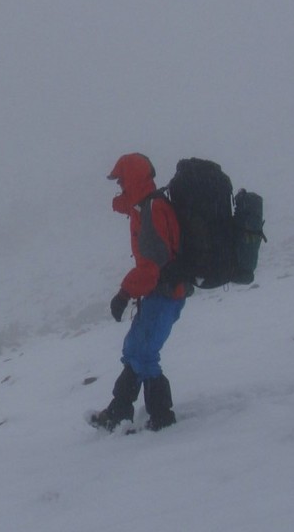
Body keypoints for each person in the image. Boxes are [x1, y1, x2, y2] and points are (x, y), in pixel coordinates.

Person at [91, 153, 188, 432]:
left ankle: (162, 417)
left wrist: (124, 294)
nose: (119, 185)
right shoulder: (144, 207)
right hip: (161, 292)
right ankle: (118, 411)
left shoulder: (153, 210)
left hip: (166, 294)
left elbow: (152, 266)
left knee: (144, 353)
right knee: (135, 349)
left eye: (121, 179)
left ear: (132, 178)